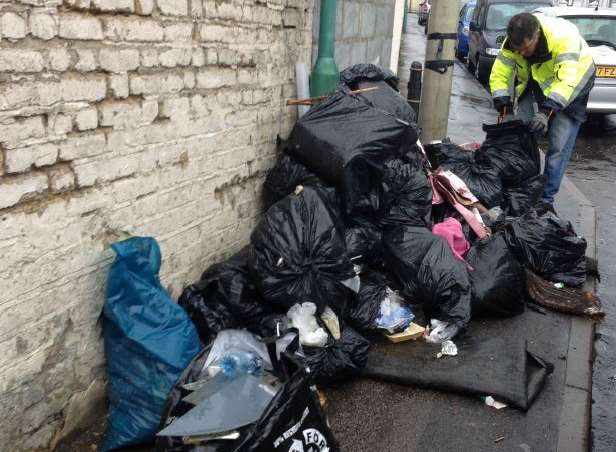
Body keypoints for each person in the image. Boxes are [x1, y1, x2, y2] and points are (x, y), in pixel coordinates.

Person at [490, 12, 595, 212]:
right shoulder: (513, 43)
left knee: (557, 147)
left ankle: (545, 199)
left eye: (525, 49)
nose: (520, 54)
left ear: (536, 35)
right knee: (520, 136)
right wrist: (505, 108)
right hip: (537, 80)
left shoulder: (564, 38)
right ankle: (523, 188)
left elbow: (567, 80)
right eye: (517, 50)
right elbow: (499, 75)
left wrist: (546, 113)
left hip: (573, 85)